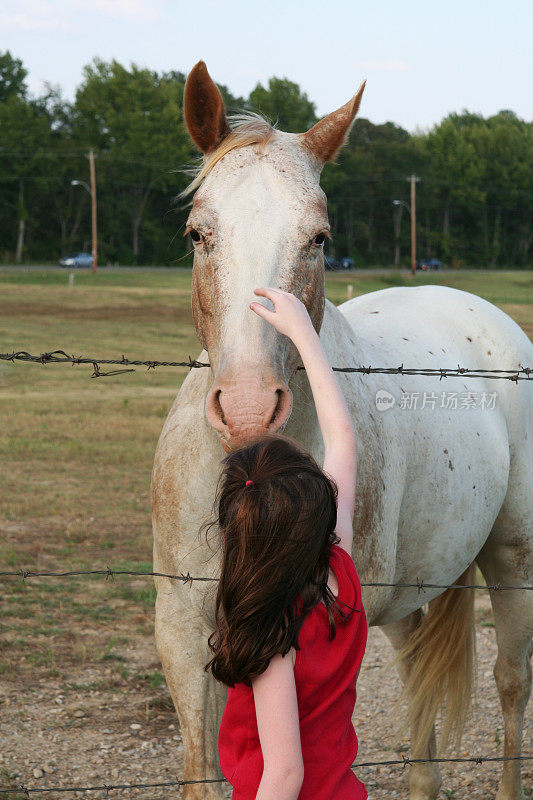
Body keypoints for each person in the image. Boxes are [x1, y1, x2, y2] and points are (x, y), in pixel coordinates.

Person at [205, 287, 368, 800]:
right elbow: (342, 440)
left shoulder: (271, 630)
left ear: (238, 532)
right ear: (318, 507)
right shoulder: (340, 570)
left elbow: (284, 776)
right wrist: (304, 334)